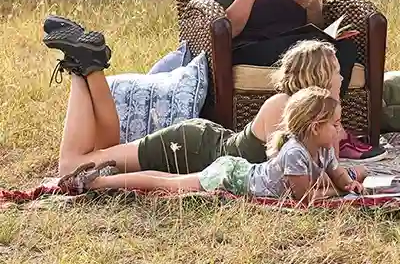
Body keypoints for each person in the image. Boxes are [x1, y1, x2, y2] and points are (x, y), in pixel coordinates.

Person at [45, 17, 382, 182]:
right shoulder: (286, 107)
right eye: (337, 70)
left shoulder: (312, 111)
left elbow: (325, 166)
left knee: (103, 150)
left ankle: (88, 63)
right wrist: (355, 175)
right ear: (320, 77)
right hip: (192, 149)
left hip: (204, 143)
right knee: (71, 166)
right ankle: (81, 68)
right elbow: (301, 176)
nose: (342, 78)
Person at [199, 0, 380, 159]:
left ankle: (328, 127)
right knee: (320, 47)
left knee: (343, 47)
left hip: (299, 43)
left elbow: (313, 26)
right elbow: (229, 28)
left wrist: (314, 6)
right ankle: (333, 135)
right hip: (251, 48)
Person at [61, 87, 367, 205]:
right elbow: (306, 198)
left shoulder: (323, 149)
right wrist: (339, 190)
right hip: (230, 176)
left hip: (236, 166)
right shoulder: (296, 153)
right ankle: (99, 182)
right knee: (167, 185)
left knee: (169, 182)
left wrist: (348, 183)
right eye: (336, 124)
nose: (342, 130)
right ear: (315, 127)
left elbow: (338, 175)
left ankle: (101, 178)